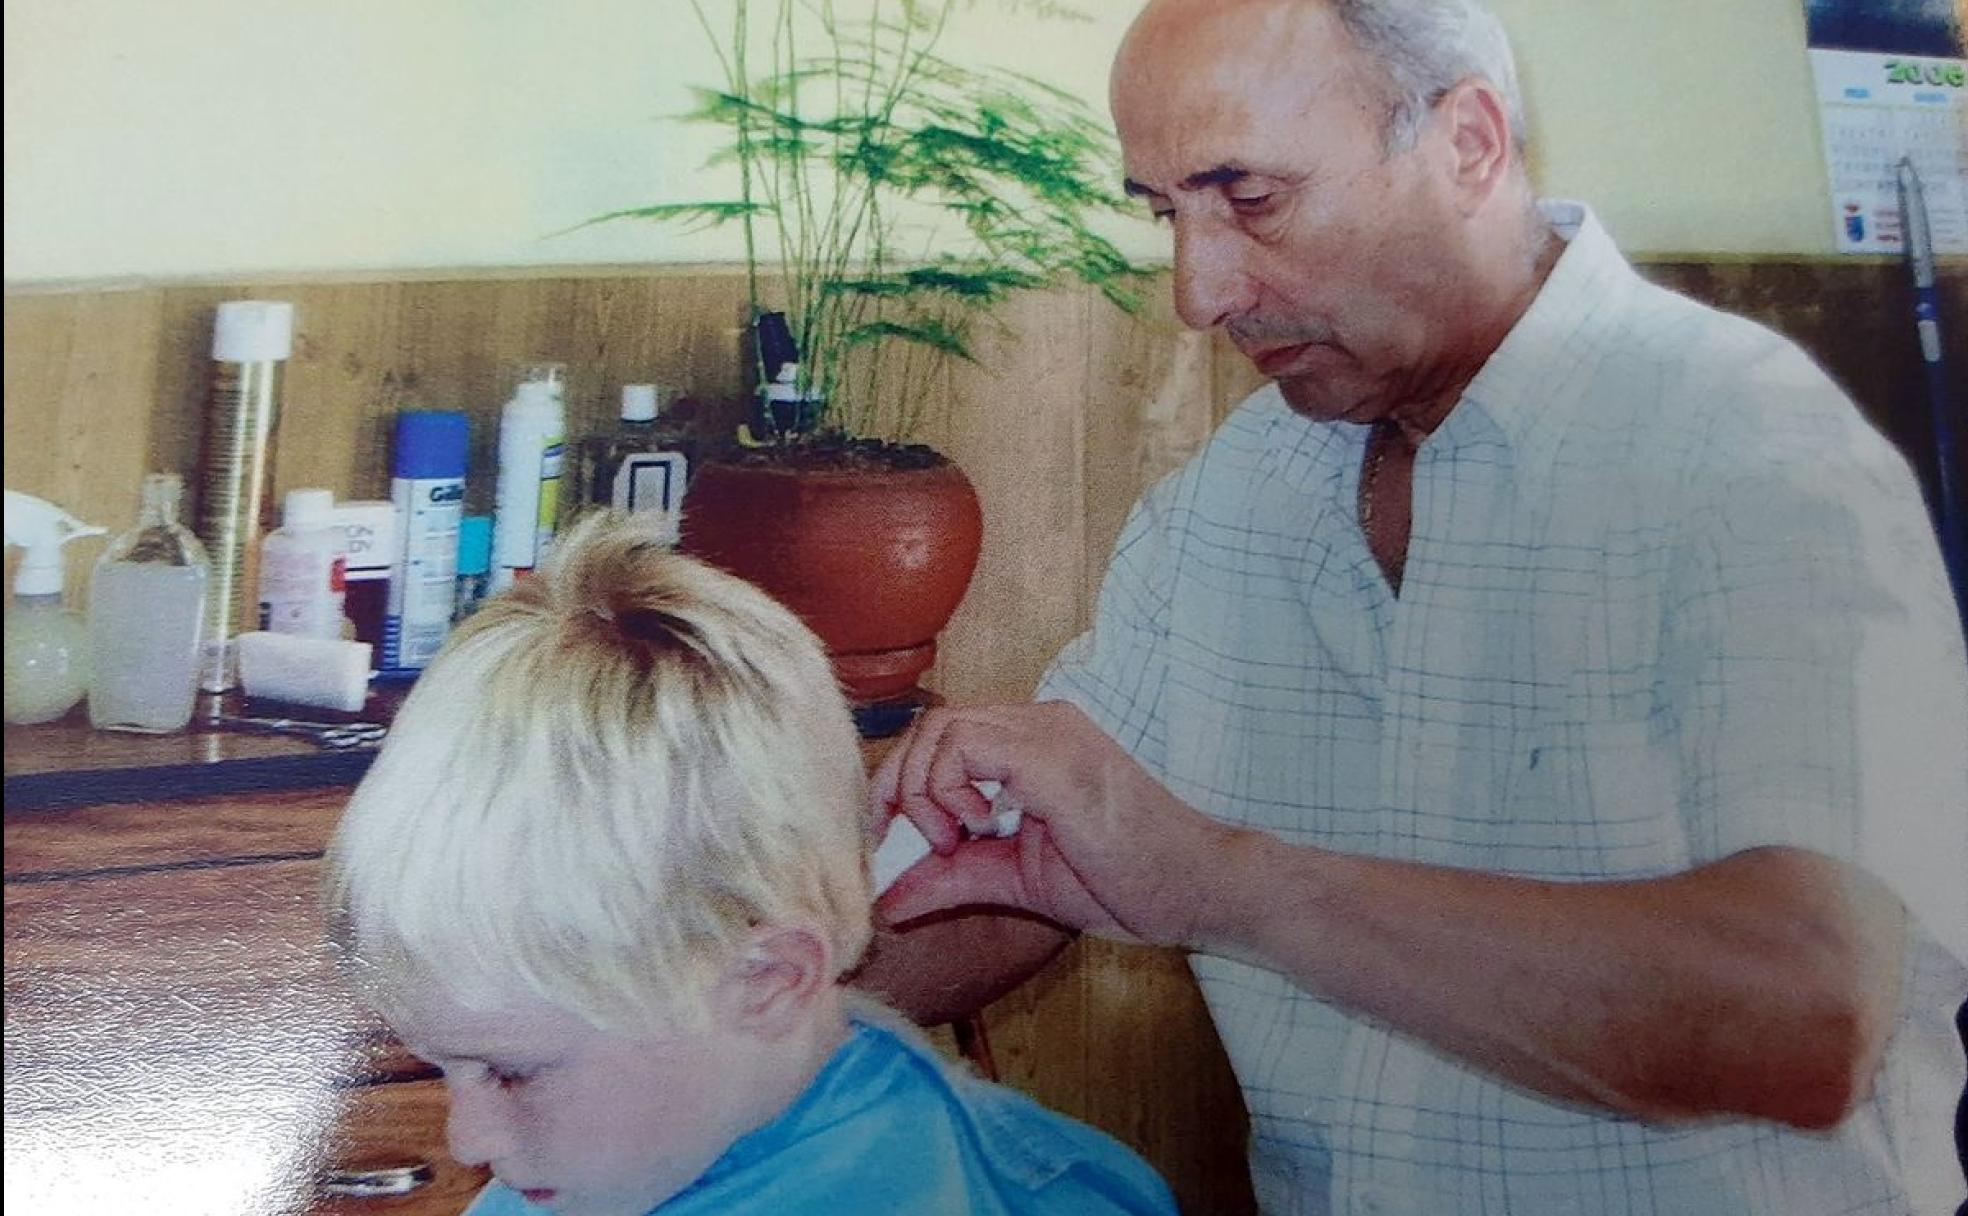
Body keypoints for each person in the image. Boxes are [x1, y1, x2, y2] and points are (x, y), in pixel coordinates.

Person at [863, 1, 1968, 1212]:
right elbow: (1044, 855)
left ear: (1470, 145)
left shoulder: (1753, 454)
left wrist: (1233, 883)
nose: (1197, 290)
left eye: (1252, 197)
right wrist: (743, 976)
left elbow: (1809, 1021)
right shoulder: (1241, 492)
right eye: (1164, 211)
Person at [323, 513, 1178, 1216]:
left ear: (768, 976)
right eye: (448, 1069)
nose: (468, 1139)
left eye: (512, 1073)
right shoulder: (645, 1146)